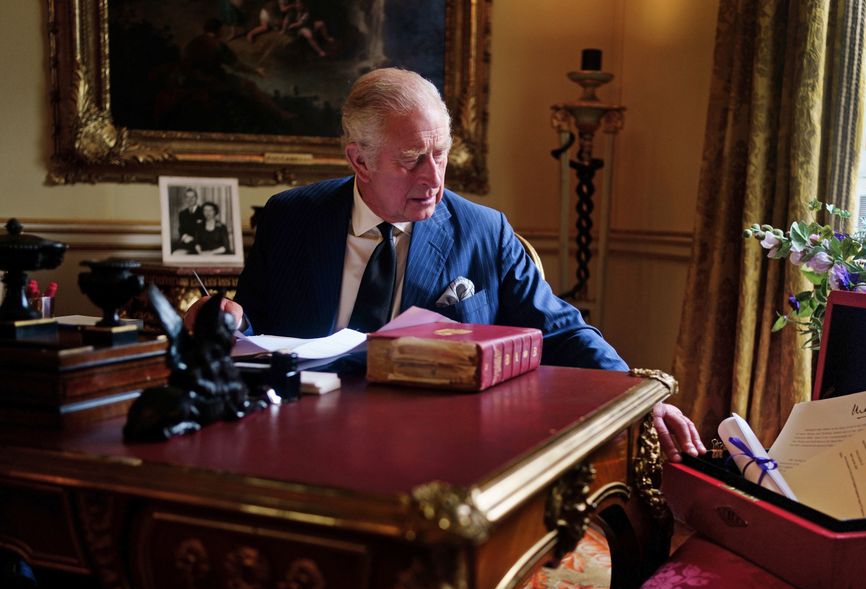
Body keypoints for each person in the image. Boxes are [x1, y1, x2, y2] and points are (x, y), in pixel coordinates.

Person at [183, 68, 705, 462]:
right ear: (359, 160)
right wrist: (224, 319)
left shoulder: (483, 230)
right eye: (412, 158)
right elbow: (254, 322)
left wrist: (640, 399)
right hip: (300, 439)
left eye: (441, 154)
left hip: (433, 450)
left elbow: (561, 330)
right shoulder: (291, 217)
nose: (433, 178)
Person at [175, 188, 204, 254]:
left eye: (192, 197)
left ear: (196, 198)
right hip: (186, 241)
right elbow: (181, 228)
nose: (190, 199)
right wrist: (184, 236)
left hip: (200, 243)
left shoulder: (203, 211)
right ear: (185, 199)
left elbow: (204, 230)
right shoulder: (182, 213)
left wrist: (193, 239)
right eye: (188, 197)